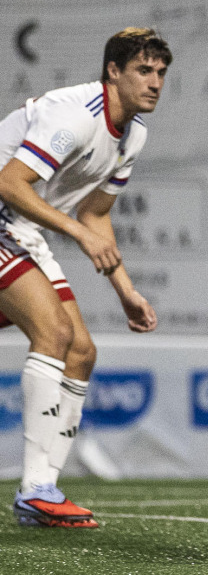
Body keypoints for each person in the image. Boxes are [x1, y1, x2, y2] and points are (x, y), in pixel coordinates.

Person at [1, 28, 167, 528]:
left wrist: (127, 292)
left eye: (161, 72)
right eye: (143, 70)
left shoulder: (133, 133)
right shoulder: (76, 115)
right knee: (54, 334)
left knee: (81, 352)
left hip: (20, 226)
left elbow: (95, 216)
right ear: (112, 72)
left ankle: (43, 492)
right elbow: (10, 182)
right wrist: (73, 228)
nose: (155, 82)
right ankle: (35, 491)